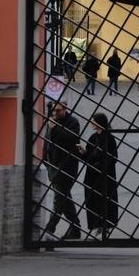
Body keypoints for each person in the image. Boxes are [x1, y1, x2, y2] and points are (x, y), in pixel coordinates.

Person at [42, 102, 82, 240]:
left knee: (59, 200)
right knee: (65, 199)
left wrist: (55, 128)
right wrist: (44, 160)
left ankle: (49, 228)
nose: (55, 113)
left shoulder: (73, 122)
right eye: (53, 110)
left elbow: (70, 138)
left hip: (67, 167)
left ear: (65, 109)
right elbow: (47, 141)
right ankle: (75, 229)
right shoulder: (52, 121)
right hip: (53, 166)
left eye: (58, 111)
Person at [81, 112, 119, 242]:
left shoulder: (109, 138)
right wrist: (84, 153)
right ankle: (97, 226)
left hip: (105, 176)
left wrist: (100, 165)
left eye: (93, 121)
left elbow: (112, 157)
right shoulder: (92, 137)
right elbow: (89, 155)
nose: (91, 123)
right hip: (92, 175)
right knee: (93, 200)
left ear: (99, 122)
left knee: (105, 200)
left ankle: (105, 227)